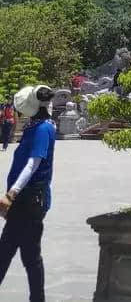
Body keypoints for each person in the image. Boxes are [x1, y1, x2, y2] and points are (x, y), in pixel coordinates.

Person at [0, 84, 56, 302]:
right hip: (24, 200)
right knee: (20, 252)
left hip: (31, 199)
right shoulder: (36, 126)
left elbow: (33, 164)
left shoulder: (43, 129)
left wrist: (11, 194)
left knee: (18, 252)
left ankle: (38, 299)